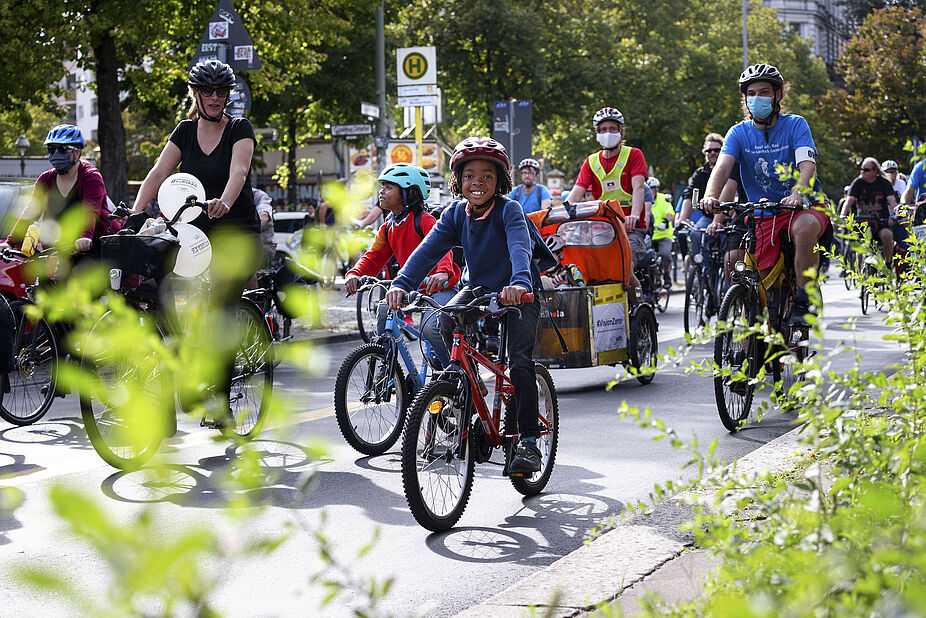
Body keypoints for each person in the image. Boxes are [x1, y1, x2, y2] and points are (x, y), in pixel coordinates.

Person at [384, 136, 546, 475]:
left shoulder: (509, 209)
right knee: (444, 322)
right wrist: (401, 284)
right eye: (469, 175)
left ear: (500, 180)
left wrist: (519, 283)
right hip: (478, 288)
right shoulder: (455, 213)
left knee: (519, 362)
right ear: (458, 180)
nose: (478, 183)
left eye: (488, 176)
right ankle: (466, 385)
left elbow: (520, 248)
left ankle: (529, 442)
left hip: (521, 291)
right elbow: (426, 252)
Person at [130, 59, 262, 426]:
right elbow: (158, 173)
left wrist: (225, 202)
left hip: (236, 233)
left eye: (221, 91)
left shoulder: (240, 128)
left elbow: (238, 172)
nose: (215, 97)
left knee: (218, 309)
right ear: (195, 94)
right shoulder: (185, 131)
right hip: (196, 233)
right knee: (162, 288)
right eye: (208, 90)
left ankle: (220, 403)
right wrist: (137, 213)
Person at [701, 62, 830, 327]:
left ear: (778, 95)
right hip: (762, 213)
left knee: (805, 227)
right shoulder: (737, 133)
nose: (757, 98)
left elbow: (807, 165)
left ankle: (805, 300)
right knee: (734, 261)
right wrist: (710, 196)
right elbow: (723, 167)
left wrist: (797, 193)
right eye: (751, 93)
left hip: (801, 206)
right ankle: (750, 320)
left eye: (764, 92)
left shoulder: (796, 125)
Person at [344, 163, 461, 367]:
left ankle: (453, 371)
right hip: (412, 288)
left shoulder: (424, 220)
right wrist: (355, 274)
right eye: (383, 186)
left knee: (431, 327)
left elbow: (444, 250)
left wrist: (442, 273)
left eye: (389, 187)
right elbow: (372, 258)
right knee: (383, 310)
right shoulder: (388, 227)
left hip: (441, 287)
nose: (382, 192)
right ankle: (387, 367)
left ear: (409, 193)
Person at [564, 107, 648, 296]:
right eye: (602, 130)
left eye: (612, 128)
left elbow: (638, 188)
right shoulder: (591, 161)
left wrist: (634, 214)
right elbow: (577, 191)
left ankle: (640, 307)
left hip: (630, 227)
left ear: (621, 131)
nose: (607, 133)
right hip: (602, 227)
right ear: (597, 133)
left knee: (624, 269)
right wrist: (560, 212)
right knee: (589, 271)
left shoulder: (633, 154)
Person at [2, 124, 120, 256]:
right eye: (51, 149)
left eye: (63, 149)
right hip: (61, 249)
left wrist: (84, 237)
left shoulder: (91, 177)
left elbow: (89, 211)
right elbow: (30, 211)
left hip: (98, 246)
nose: (56, 154)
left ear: (77, 152)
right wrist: (9, 243)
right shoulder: (46, 179)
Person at [677, 133, 741, 272]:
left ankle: (725, 280)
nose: (712, 153)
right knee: (695, 234)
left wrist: (725, 219)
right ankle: (701, 271)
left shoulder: (733, 168)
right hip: (707, 218)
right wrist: (682, 220)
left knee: (730, 242)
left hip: (729, 217)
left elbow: (732, 192)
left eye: (716, 150)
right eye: (708, 150)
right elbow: (689, 195)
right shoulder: (700, 173)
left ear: (723, 150)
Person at [840, 157, 897, 264]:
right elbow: (849, 201)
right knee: (861, 246)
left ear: (875, 171)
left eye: (866, 170)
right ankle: (860, 273)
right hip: (862, 223)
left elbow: (892, 200)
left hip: (881, 222)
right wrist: (843, 215)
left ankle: (886, 266)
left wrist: (894, 214)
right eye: (861, 169)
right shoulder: (857, 183)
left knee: (888, 236)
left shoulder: (884, 183)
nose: (862, 172)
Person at [647, 177, 674, 289]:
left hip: (663, 235)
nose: (649, 191)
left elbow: (670, 213)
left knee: (665, 255)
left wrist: (666, 221)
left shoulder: (663, 199)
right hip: (649, 235)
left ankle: (667, 276)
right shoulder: (643, 200)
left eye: (652, 189)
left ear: (656, 190)